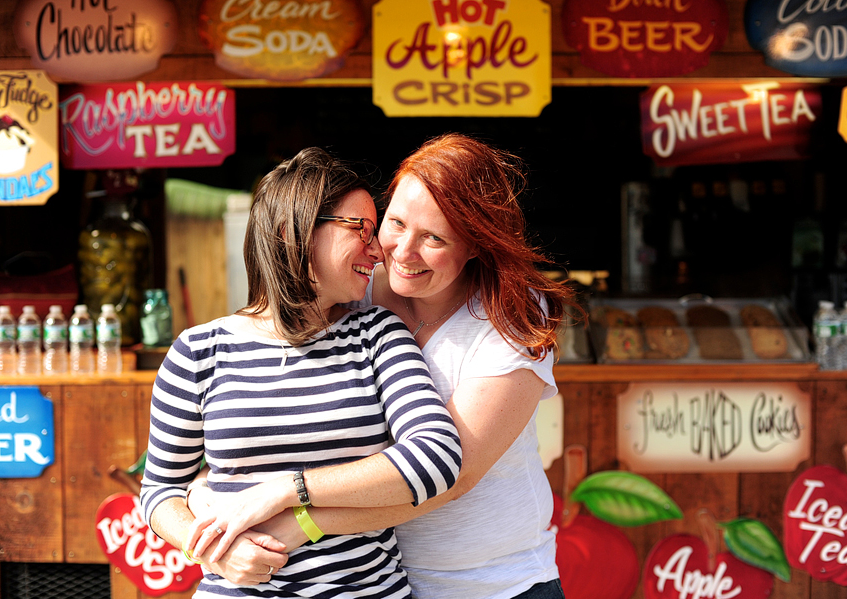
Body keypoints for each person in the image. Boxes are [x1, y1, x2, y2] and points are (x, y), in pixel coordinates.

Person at [190, 133, 573, 599]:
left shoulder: (510, 313)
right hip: (380, 584)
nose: (402, 253)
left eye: (434, 238)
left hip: (495, 583)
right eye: (395, 224)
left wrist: (301, 519)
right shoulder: (354, 290)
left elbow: (453, 477)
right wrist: (207, 497)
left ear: (476, 245)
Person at [139, 147, 463, 598]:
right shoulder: (198, 352)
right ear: (297, 231)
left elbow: (437, 458)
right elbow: (159, 492)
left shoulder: (377, 334)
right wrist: (216, 553)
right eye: (361, 230)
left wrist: (289, 490)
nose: (379, 252)